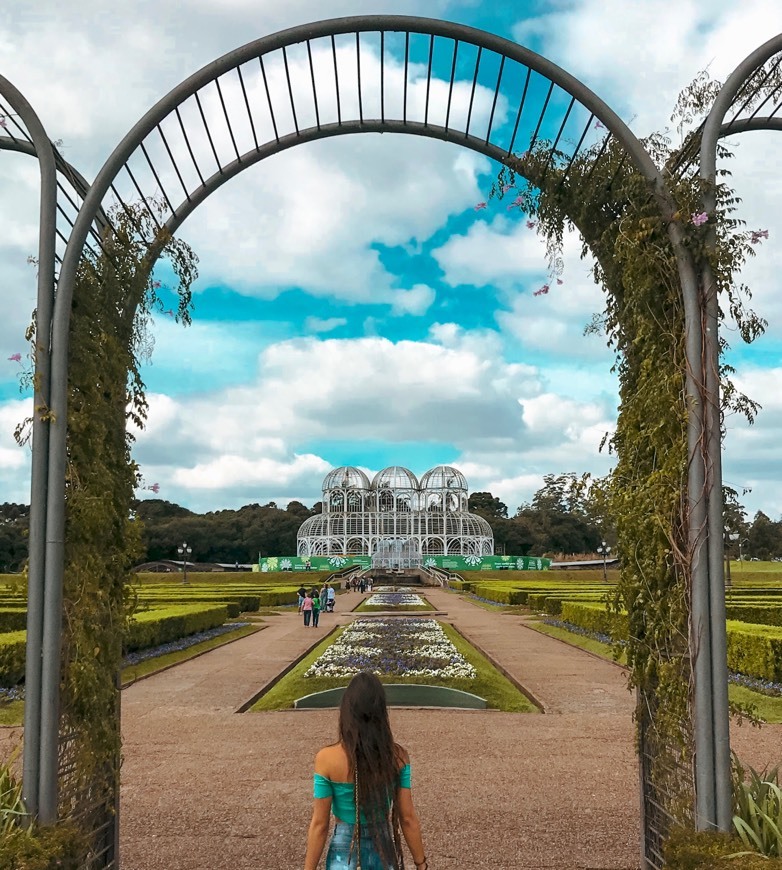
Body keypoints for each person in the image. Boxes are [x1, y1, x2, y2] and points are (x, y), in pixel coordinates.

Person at [304, 672, 428, 870]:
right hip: (383, 849)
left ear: (346, 711)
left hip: (343, 850)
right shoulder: (397, 757)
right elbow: (407, 817)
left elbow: (320, 824)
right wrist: (421, 864)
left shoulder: (326, 758)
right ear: (381, 713)